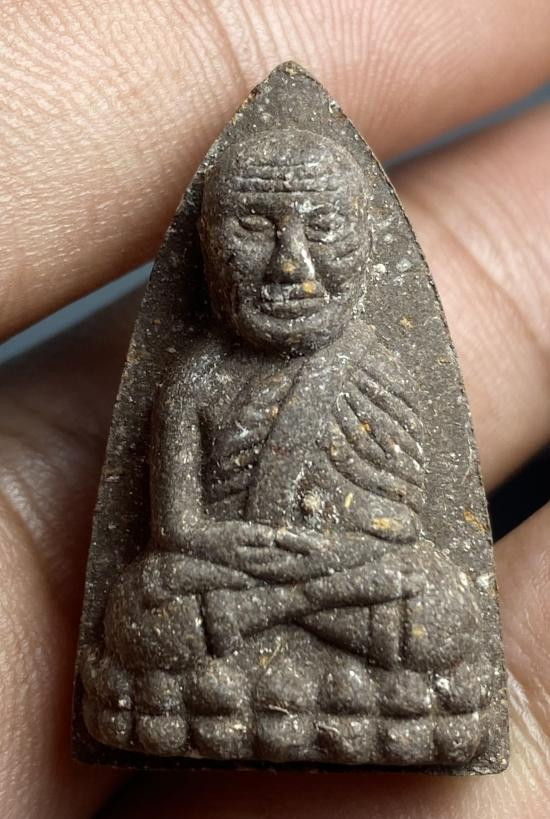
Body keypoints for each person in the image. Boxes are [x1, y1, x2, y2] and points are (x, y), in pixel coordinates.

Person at [1, 0, 549, 815]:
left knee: (442, 609)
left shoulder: (375, 370)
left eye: (322, 228)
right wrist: (247, 555)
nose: (291, 265)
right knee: (143, 607)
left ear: (363, 241)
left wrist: (308, 566)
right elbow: (177, 531)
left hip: (322, 582)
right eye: (256, 227)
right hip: (232, 577)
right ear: (210, 248)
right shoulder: (193, 381)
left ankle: (268, 647)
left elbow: (399, 526)